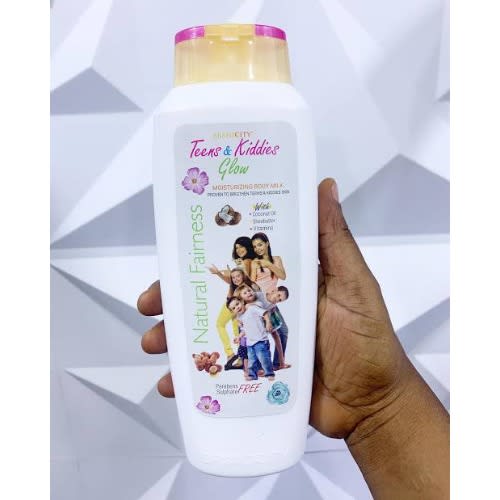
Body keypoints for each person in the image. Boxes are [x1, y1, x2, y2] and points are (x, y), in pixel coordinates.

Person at [138, 178, 450, 498]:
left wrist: (377, 406)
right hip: (251, 309)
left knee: (277, 333)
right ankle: (247, 362)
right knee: (242, 333)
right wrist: (377, 409)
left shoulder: (269, 263)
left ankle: (272, 364)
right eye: (249, 248)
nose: (252, 250)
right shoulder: (243, 269)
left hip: (270, 304)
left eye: (256, 246)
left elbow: (276, 277)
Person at [207, 265, 260, 369]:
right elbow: (230, 280)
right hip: (239, 308)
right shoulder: (240, 284)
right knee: (237, 330)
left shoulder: (247, 286)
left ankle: (230, 353)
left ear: (243, 275)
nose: (235, 279)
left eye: (238, 276)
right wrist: (218, 273)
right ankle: (240, 358)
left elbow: (257, 293)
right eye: (233, 277)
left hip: (232, 305)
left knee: (220, 325)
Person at [234, 283, 291, 370]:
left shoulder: (273, 305)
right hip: (252, 322)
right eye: (278, 295)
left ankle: (280, 363)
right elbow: (243, 303)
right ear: (274, 290)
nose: (277, 299)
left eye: (280, 300)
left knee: (276, 335)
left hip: (264, 318)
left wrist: (269, 322)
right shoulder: (258, 295)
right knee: (251, 341)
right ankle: (252, 366)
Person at [227, 296, 275, 381]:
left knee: (264, 359)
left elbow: (265, 313)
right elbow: (244, 330)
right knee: (251, 361)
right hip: (250, 343)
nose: (237, 307)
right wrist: (239, 337)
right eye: (234, 308)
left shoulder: (252, 309)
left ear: (242, 302)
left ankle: (270, 374)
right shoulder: (240, 318)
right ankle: (252, 375)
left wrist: (268, 322)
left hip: (260, 340)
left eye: (237, 304)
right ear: (233, 311)